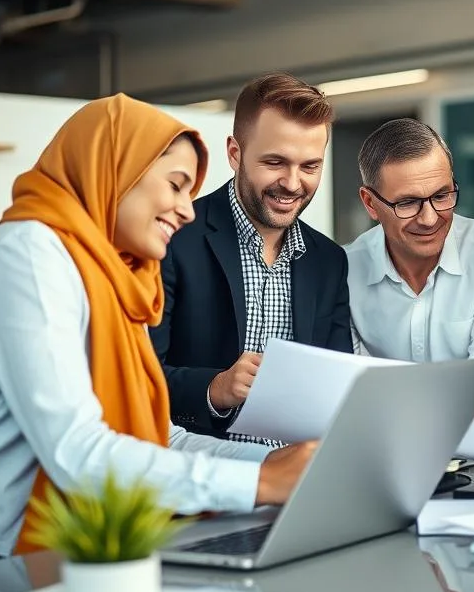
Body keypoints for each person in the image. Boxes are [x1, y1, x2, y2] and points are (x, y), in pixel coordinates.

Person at [0, 94, 315, 564]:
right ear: (115, 170)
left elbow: (157, 438)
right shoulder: (29, 252)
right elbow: (78, 453)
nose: (187, 210)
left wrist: (279, 465)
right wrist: (261, 482)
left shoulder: (117, 273)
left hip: (77, 538)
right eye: (175, 185)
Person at [149, 73, 351, 443]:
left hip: (299, 473)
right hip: (204, 476)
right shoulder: (172, 240)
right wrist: (215, 388)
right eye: (275, 162)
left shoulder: (329, 260)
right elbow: (137, 377)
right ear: (234, 153)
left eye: (310, 166)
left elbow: (337, 384)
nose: (293, 183)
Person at [345, 118, 474, 419]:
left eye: (441, 196)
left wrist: (447, 426)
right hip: (388, 443)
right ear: (370, 203)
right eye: (408, 203)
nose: (429, 219)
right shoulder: (345, 270)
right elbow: (355, 379)